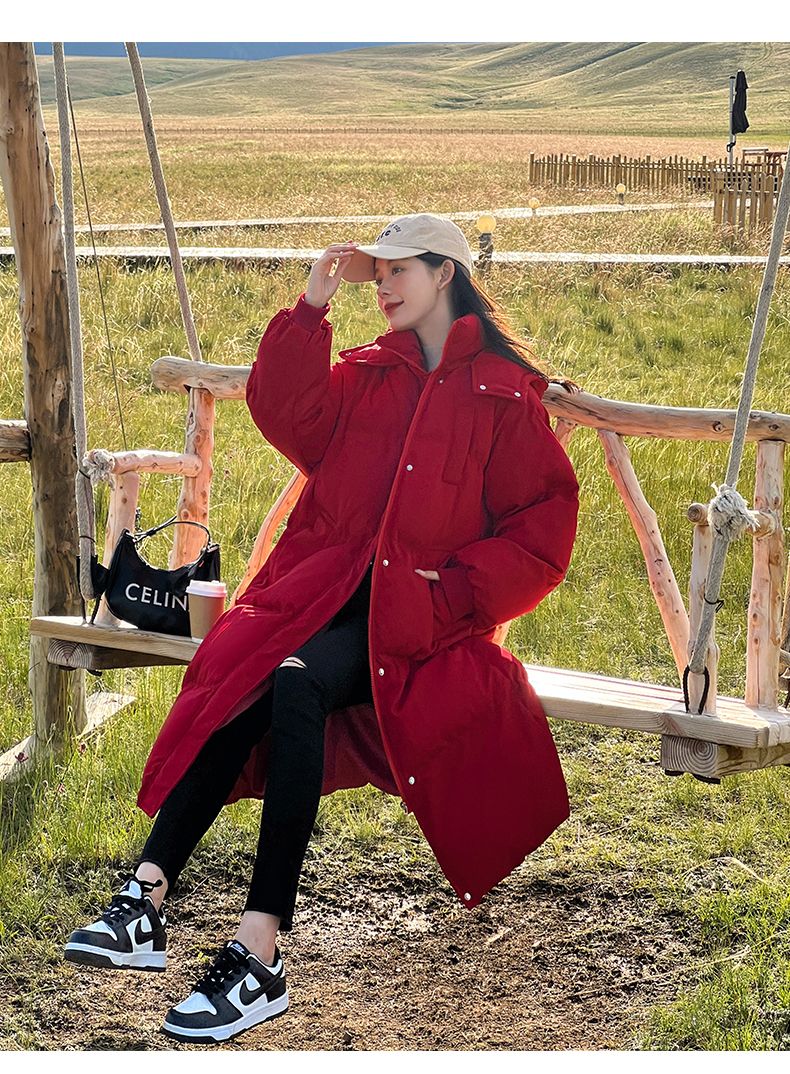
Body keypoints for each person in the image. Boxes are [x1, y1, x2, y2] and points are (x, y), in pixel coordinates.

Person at [63, 213, 580, 1045]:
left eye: (397, 270)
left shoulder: (502, 393)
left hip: (419, 620)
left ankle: (259, 952)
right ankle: (144, 901)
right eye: (376, 272)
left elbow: (541, 531)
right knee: (243, 672)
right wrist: (311, 307)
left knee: (293, 681)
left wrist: (454, 592)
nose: (382, 286)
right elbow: (288, 413)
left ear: (445, 273)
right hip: (320, 593)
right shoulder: (371, 374)